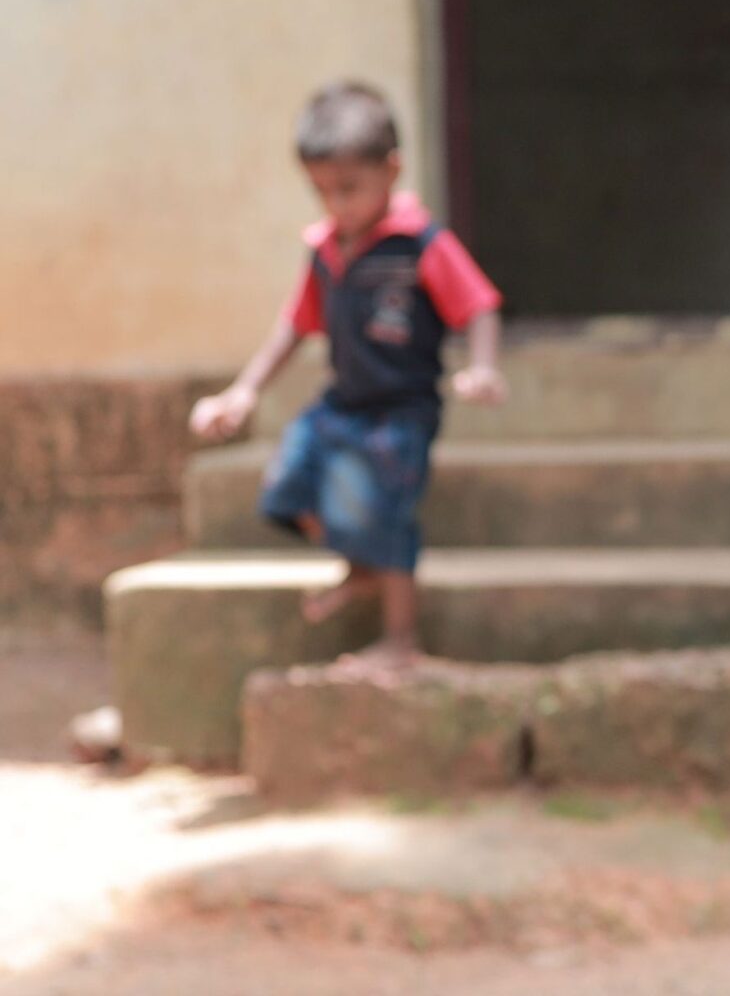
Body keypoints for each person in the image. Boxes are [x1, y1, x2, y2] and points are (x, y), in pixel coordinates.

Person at [188, 80, 506, 664]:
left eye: (350, 189)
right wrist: (243, 391)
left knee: (386, 512)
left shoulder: (421, 245)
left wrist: (483, 368)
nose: (337, 205)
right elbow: (294, 325)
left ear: (392, 170)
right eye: (321, 191)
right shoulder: (326, 251)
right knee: (288, 486)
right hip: (343, 402)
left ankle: (400, 640)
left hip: (402, 411)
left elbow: (478, 303)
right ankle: (361, 566)